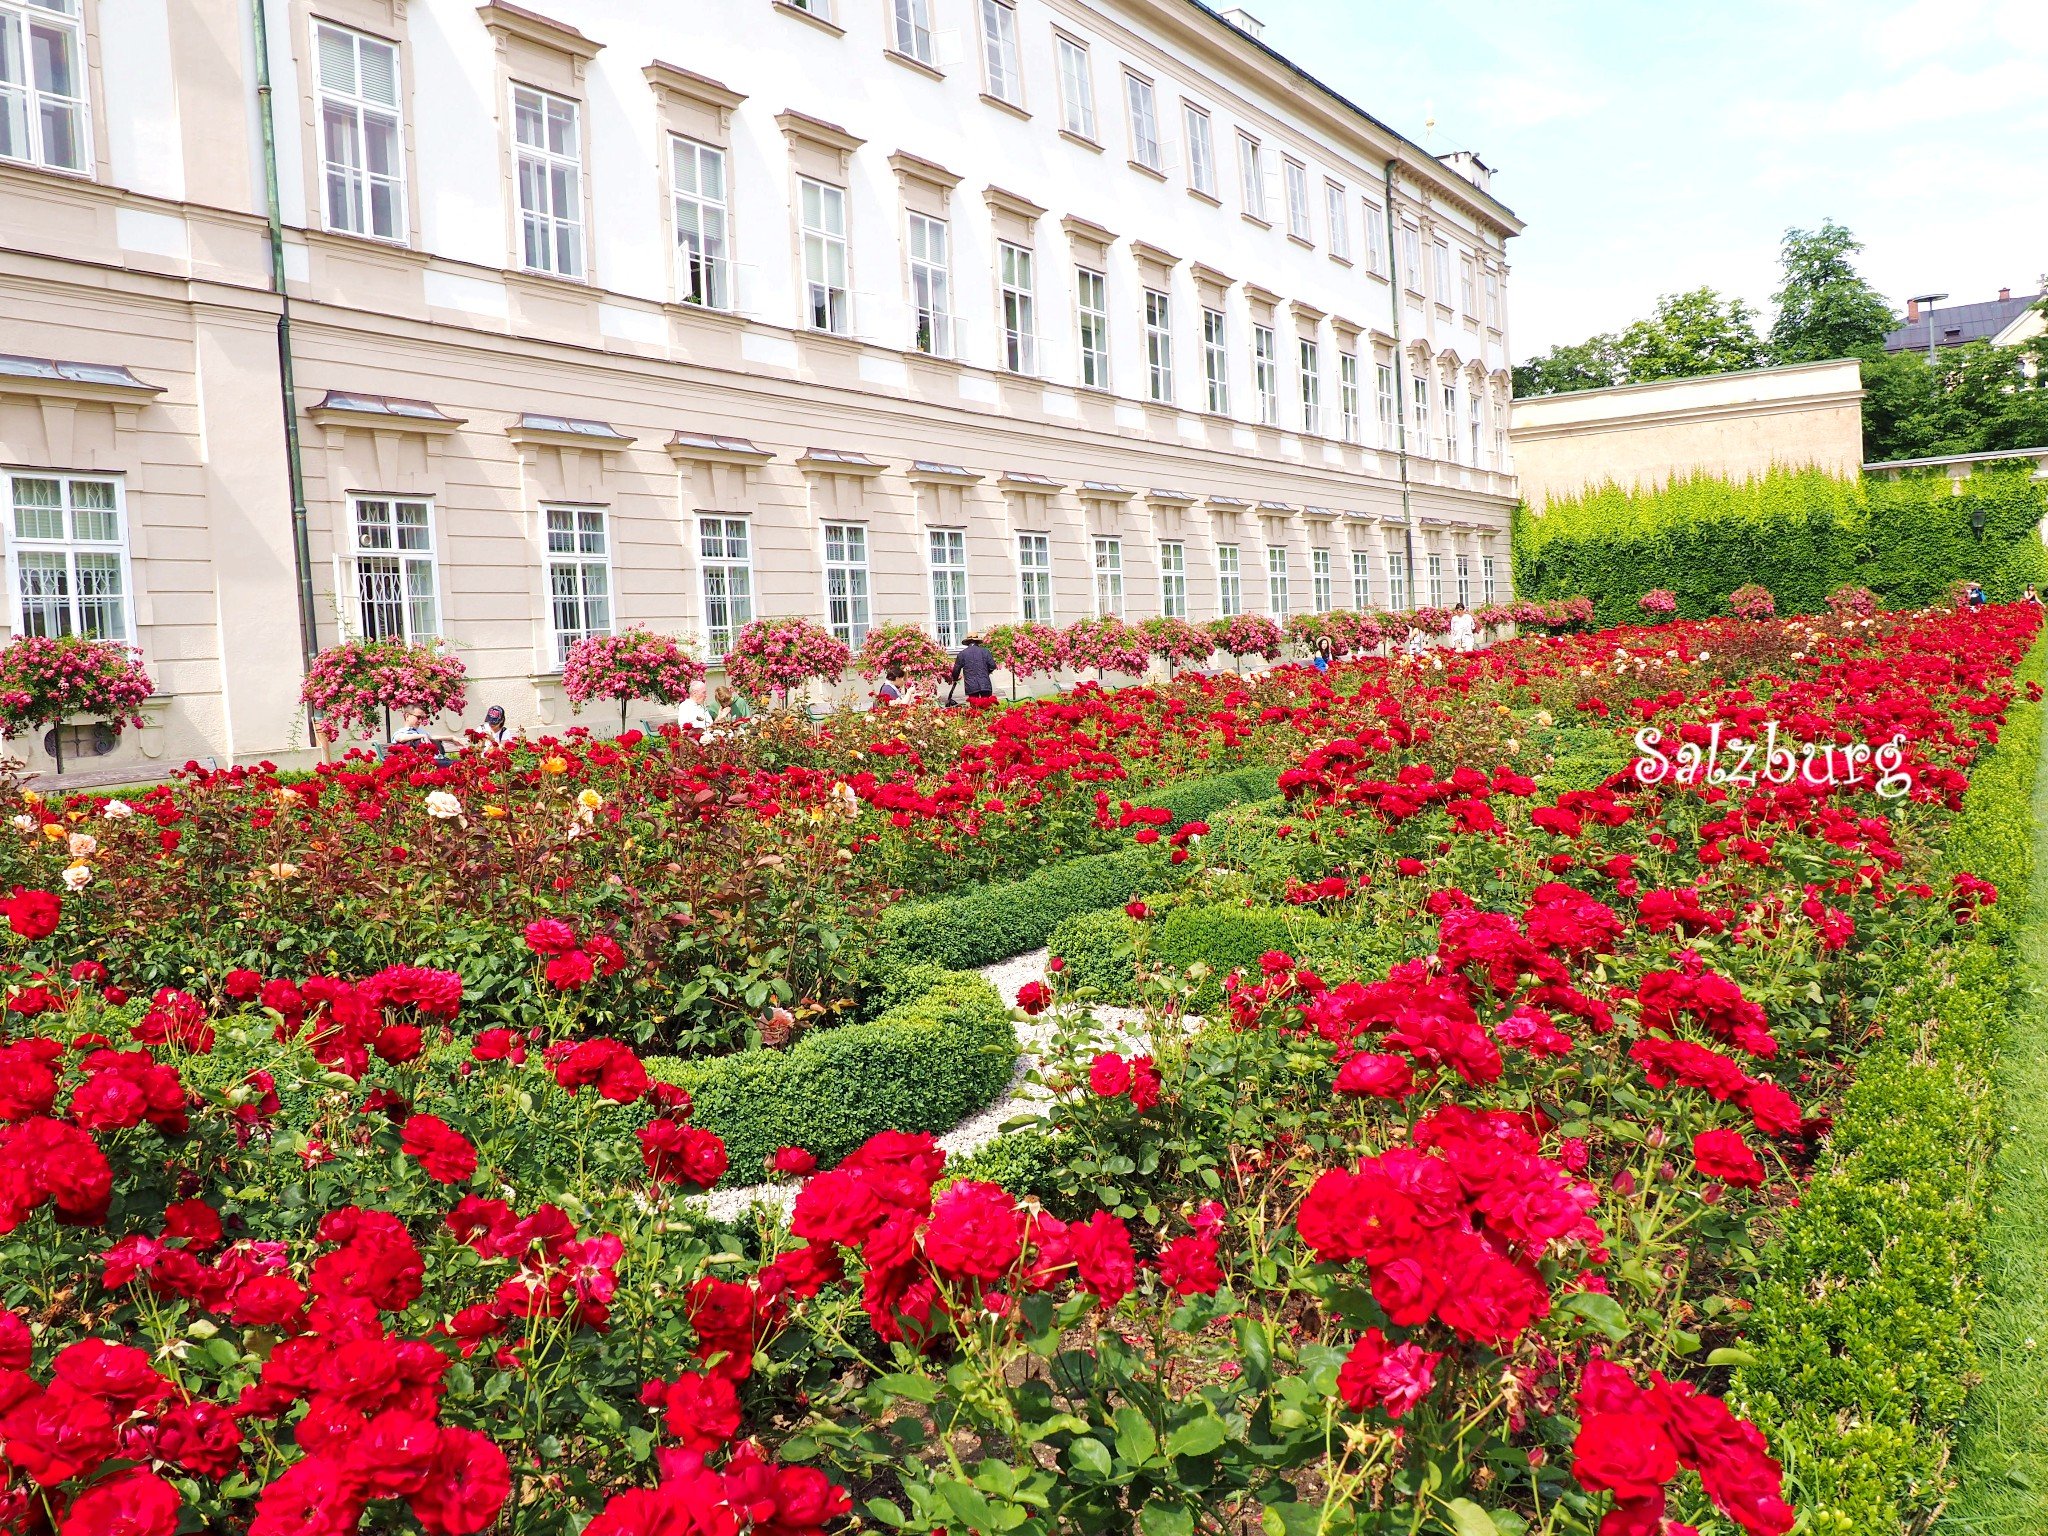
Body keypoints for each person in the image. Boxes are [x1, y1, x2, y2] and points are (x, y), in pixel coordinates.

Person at [948, 634, 997, 703]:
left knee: (974, 708)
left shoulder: (962, 654)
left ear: (967, 643)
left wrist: (955, 678)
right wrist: (986, 672)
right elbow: (993, 666)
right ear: (977, 642)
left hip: (971, 685)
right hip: (985, 683)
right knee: (986, 706)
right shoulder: (985, 652)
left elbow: (956, 670)